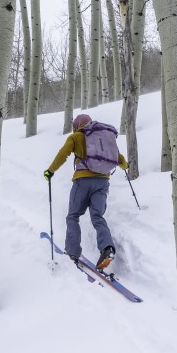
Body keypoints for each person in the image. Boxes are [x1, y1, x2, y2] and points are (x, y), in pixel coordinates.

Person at [43, 113, 128, 270]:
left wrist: (50, 170)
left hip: (83, 181)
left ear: (77, 125)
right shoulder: (102, 137)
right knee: (97, 216)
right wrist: (125, 167)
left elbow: (63, 154)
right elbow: (120, 159)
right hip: (103, 182)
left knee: (73, 216)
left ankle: (72, 252)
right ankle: (107, 248)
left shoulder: (76, 136)